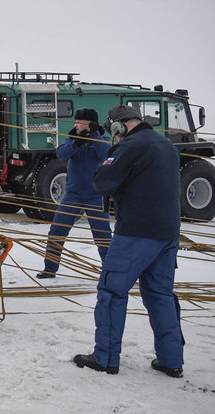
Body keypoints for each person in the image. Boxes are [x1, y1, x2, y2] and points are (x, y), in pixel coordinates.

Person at [74, 104, 184, 377]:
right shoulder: (166, 144)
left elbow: (102, 181)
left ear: (118, 126)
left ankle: (106, 358)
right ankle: (171, 360)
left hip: (136, 232)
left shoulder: (130, 146)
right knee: (160, 295)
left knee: (111, 292)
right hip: (168, 232)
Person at [37, 108, 112, 279]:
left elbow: (104, 153)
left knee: (103, 236)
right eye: (75, 122)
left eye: (79, 122)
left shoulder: (103, 140)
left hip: (95, 196)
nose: (76, 125)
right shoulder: (72, 139)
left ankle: (109, 272)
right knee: (56, 231)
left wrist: (93, 135)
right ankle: (50, 268)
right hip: (72, 196)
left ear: (90, 124)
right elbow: (61, 154)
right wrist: (76, 142)